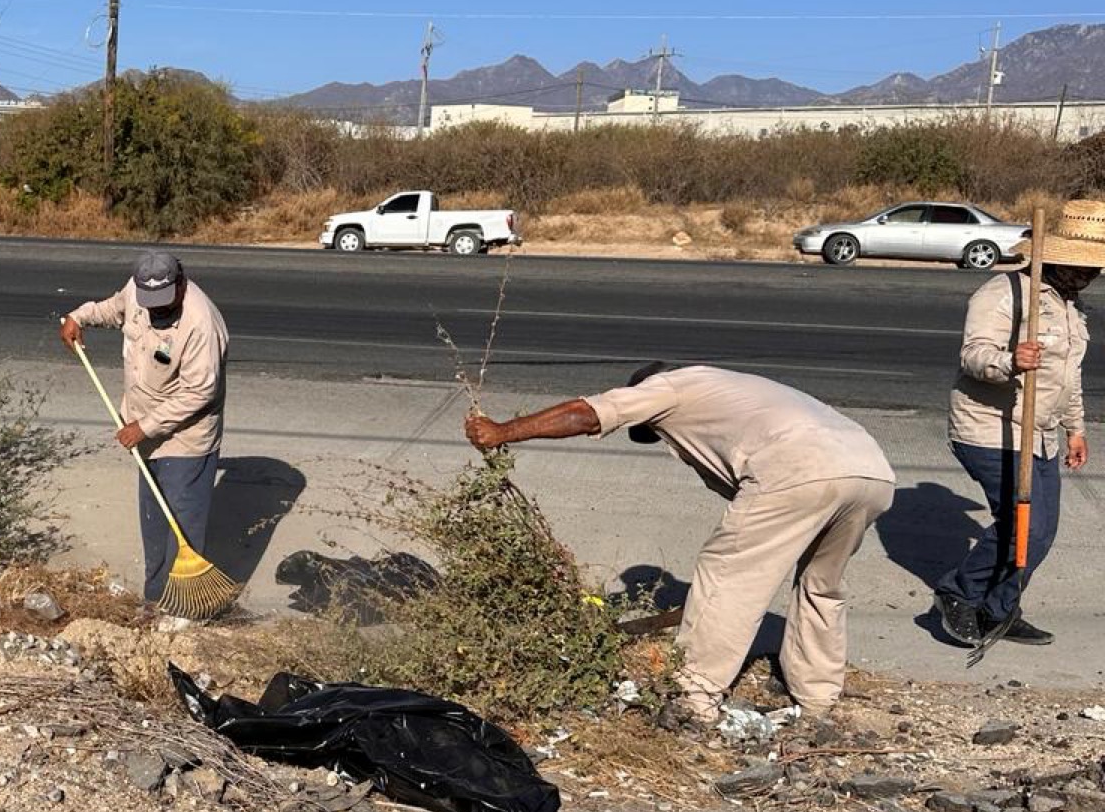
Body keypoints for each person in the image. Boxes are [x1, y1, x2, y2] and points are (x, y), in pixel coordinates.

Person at [466, 364, 894, 728]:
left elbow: (587, 414)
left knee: (728, 576)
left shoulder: (670, 386)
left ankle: (694, 699)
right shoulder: (732, 390)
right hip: (871, 470)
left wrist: (502, 432)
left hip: (798, 467)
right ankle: (818, 698)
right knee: (822, 584)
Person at [932, 199, 1103, 646]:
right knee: (1019, 526)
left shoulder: (1069, 305)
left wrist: (1076, 427)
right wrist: (1010, 361)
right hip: (990, 426)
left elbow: (1069, 376)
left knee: (1040, 533)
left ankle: (999, 610)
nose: (1092, 275)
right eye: (1084, 267)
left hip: (1041, 432)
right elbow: (973, 355)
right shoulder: (1002, 293)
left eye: (1095, 269)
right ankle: (957, 594)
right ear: (1054, 257)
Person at [60, 250, 229, 606]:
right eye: (151, 302)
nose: (157, 310)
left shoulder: (201, 322)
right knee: (154, 524)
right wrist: (79, 316)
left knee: (181, 526)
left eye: (165, 301)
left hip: (185, 440)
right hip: (144, 433)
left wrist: (145, 427)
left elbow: (200, 391)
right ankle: (154, 602)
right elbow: (113, 308)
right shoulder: (139, 293)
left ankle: (184, 611)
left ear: (181, 283)